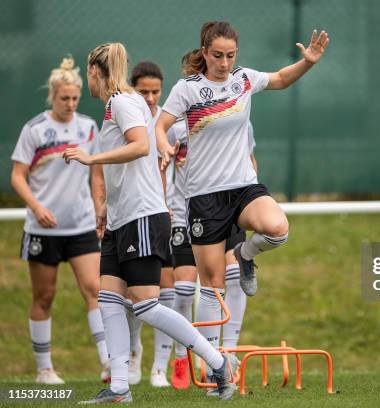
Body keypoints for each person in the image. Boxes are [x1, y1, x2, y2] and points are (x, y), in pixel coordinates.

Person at [64, 42, 240, 402]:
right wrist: (104, 208)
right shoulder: (117, 105)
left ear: (95, 72)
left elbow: (141, 145)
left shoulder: (124, 102)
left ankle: (217, 362)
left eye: (89, 74)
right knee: (109, 298)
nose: (89, 81)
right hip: (121, 219)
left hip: (142, 217)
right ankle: (118, 387)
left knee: (145, 303)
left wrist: (90, 157)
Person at [154, 21, 329, 375]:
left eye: (230, 55)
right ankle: (213, 363)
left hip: (243, 187)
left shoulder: (243, 79)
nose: (224, 62)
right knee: (213, 285)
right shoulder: (187, 89)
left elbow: (280, 78)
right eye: (217, 55)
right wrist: (162, 146)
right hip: (203, 197)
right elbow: (160, 124)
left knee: (278, 228)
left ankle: (245, 256)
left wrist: (308, 61)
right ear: (204, 53)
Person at [11, 57, 109, 385]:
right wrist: (37, 207)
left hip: (80, 225)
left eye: (74, 98)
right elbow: (17, 176)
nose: (69, 104)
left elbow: (97, 174)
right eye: (63, 98)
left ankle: (109, 364)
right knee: (45, 297)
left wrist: (99, 209)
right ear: (52, 96)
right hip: (43, 230)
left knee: (95, 289)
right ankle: (44, 370)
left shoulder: (88, 128)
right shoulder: (35, 129)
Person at [168, 119, 258, 394]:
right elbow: (162, 167)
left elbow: (250, 159)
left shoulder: (239, 114)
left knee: (232, 275)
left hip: (229, 208)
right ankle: (183, 357)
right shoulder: (176, 126)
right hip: (188, 213)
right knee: (184, 289)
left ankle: (227, 354)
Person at [123, 61, 175, 387]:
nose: (151, 98)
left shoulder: (170, 122)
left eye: (156, 91)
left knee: (167, 287)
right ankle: (133, 352)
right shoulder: (127, 119)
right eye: (144, 92)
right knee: (134, 294)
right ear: (133, 90)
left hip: (168, 215)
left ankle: (160, 368)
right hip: (136, 213)